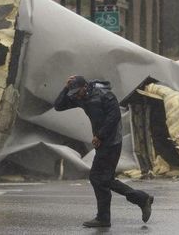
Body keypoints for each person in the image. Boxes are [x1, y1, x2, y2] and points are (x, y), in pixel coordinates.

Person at [54, 75, 154, 228]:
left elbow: (114, 117)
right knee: (102, 179)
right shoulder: (80, 96)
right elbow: (58, 106)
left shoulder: (105, 95)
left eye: (77, 92)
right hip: (102, 142)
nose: (76, 96)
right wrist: (66, 88)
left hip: (112, 141)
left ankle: (114, 212)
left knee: (99, 178)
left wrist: (100, 135)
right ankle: (124, 207)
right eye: (73, 93)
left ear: (85, 87)